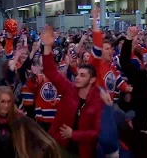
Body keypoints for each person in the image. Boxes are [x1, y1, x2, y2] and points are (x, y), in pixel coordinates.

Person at [41, 25, 104, 158]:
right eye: (78, 74)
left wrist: (73, 134)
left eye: (82, 75)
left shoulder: (97, 101)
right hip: (58, 145)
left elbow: (97, 132)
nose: (77, 77)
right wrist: (47, 47)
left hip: (82, 152)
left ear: (92, 80)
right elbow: (50, 72)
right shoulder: (68, 88)